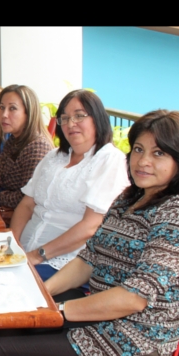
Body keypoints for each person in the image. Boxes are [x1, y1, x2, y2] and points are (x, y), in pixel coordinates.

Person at [0, 109, 179, 356]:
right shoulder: (129, 198)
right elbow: (88, 260)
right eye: (138, 149)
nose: (143, 161)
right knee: (1, 322)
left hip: (135, 341)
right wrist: (42, 294)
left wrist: (56, 310)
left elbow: (134, 297)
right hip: (99, 316)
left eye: (159, 153)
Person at [10, 90, 130, 281]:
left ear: (97, 119)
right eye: (64, 118)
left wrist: (37, 255)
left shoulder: (110, 161)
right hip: (24, 253)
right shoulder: (54, 157)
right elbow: (27, 204)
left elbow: (91, 226)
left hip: (64, 263)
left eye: (79, 116)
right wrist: (13, 246)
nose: (70, 124)